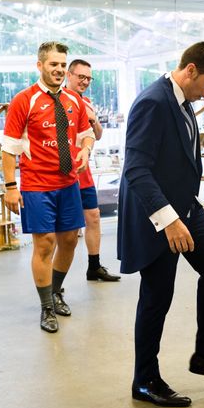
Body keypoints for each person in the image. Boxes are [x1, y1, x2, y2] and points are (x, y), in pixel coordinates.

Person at [117, 42, 204, 408]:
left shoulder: (183, 102)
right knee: (157, 296)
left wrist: (195, 206)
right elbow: (137, 170)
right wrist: (169, 220)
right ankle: (144, 380)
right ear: (190, 70)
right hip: (158, 217)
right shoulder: (153, 102)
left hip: (187, 208)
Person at [2, 41, 95, 333]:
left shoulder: (74, 100)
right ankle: (45, 308)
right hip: (36, 185)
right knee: (45, 244)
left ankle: (55, 292)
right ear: (40, 66)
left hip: (69, 183)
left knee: (69, 240)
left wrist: (86, 150)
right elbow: (8, 148)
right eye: (53, 64)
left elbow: (87, 134)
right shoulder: (24, 100)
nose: (58, 69)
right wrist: (10, 187)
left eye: (62, 65)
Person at [66, 59, 120, 282]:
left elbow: (96, 135)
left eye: (89, 78)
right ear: (69, 75)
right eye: (81, 77)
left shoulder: (85, 102)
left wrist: (93, 118)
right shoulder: (58, 101)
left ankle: (94, 266)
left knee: (94, 217)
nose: (85, 81)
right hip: (61, 174)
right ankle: (54, 282)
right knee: (66, 232)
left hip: (83, 172)